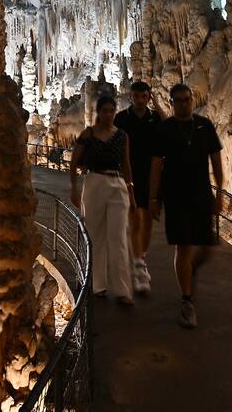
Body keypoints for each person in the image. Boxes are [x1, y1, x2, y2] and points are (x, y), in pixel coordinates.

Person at [148, 82, 224, 328]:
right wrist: (153, 199)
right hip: (175, 195)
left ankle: (189, 271)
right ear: (171, 103)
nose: (183, 103)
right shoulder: (165, 129)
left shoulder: (204, 126)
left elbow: (216, 160)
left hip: (202, 193)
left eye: (186, 99)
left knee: (208, 247)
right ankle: (187, 301)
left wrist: (220, 192)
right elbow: (156, 165)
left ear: (192, 100)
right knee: (184, 246)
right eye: (178, 100)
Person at [70, 94, 135, 305]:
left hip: (116, 184)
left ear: (114, 112)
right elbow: (74, 161)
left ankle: (123, 291)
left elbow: (126, 165)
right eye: (105, 111)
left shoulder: (122, 136)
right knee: (95, 235)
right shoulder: (88, 134)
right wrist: (73, 188)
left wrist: (131, 192)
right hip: (94, 182)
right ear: (98, 112)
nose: (108, 115)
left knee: (118, 238)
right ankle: (97, 285)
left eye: (111, 111)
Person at [114, 80, 161, 294]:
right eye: (136, 96)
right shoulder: (122, 119)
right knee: (134, 217)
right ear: (130, 97)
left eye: (144, 96)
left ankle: (141, 255)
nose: (140, 100)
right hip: (128, 174)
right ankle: (138, 264)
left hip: (151, 176)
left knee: (148, 219)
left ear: (148, 98)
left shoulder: (155, 119)